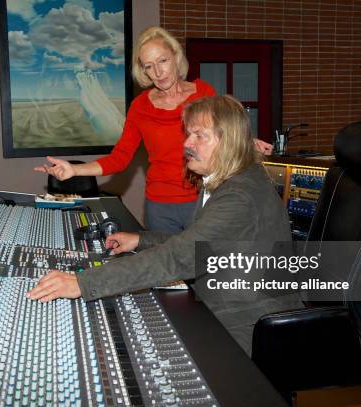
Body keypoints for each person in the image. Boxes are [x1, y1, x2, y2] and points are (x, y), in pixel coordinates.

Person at [27, 95, 302, 354]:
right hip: (226, 305)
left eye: (199, 136)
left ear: (227, 141)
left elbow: (180, 257)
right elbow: (201, 244)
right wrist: (140, 240)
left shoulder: (239, 195)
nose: (187, 143)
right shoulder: (232, 178)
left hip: (247, 322)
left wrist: (83, 283)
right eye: (188, 133)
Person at [35, 27, 216, 233]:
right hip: (160, 207)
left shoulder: (204, 93)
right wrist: (75, 170)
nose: (158, 72)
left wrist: (245, 142)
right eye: (149, 66)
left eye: (163, 61)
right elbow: (119, 158)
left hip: (203, 200)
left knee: (204, 262)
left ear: (176, 57)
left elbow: (223, 135)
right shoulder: (140, 106)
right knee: (164, 265)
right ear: (144, 71)